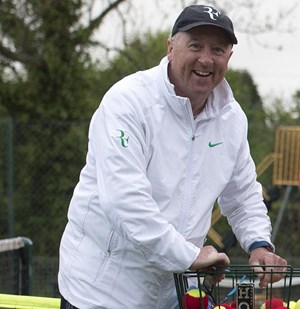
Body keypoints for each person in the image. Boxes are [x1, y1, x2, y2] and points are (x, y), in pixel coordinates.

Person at [58, 4, 287, 309]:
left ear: (228, 58)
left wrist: (259, 244)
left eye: (218, 49)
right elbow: (125, 201)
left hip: (174, 297)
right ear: (170, 47)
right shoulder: (127, 102)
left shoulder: (232, 119)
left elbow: (243, 194)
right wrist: (190, 256)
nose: (206, 59)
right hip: (100, 295)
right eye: (195, 46)